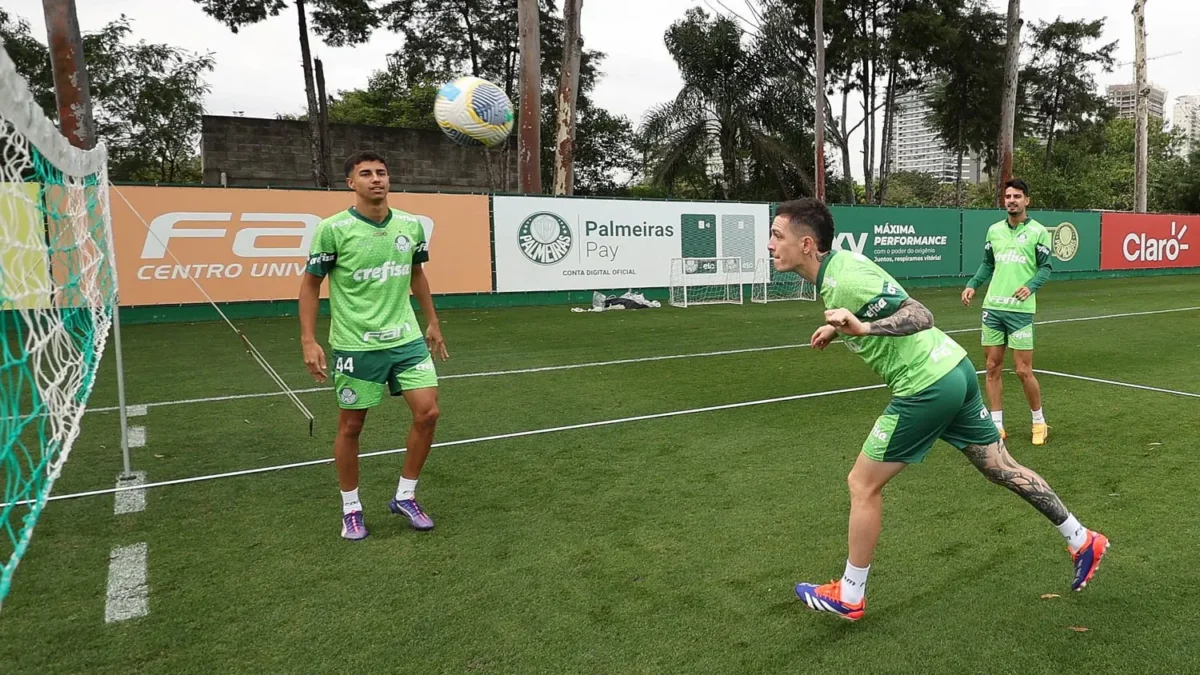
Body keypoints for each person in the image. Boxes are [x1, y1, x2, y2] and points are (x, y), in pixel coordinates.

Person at [767, 198, 1108, 622]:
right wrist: (841, 327)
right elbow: (879, 307)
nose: (769, 245)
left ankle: (850, 594)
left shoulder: (845, 276)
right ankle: (1081, 538)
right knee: (1000, 467)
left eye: (776, 236)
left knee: (862, 484)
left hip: (926, 385)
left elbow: (919, 313)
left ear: (805, 244)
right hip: (954, 370)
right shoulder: (837, 272)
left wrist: (864, 326)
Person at [298, 150, 449, 541]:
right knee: (351, 426)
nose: (376, 179)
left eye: (381, 172)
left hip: (406, 339)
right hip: (355, 344)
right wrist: (309, 339)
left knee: (428, 413)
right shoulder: (333, 230)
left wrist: (432, 321)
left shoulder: (411, 226)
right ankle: (351, 508)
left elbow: (417, 274)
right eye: (365, 174)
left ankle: (405, 495)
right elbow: (311, 284)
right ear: (352, 183)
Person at [962, 178, 1053, 445]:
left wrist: (1030, 286)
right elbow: (987, 264)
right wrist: (972, 285)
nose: (1011, 200)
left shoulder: (1038, 232)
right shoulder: (994, 231)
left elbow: (1046, 267)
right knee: (991, 367)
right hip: (993, 308)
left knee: (1024, 371)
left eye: (1017, 196)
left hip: (1020, 312)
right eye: (1008, 196)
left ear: (1027, 200)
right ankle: (996, 425)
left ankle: (1039, 422)